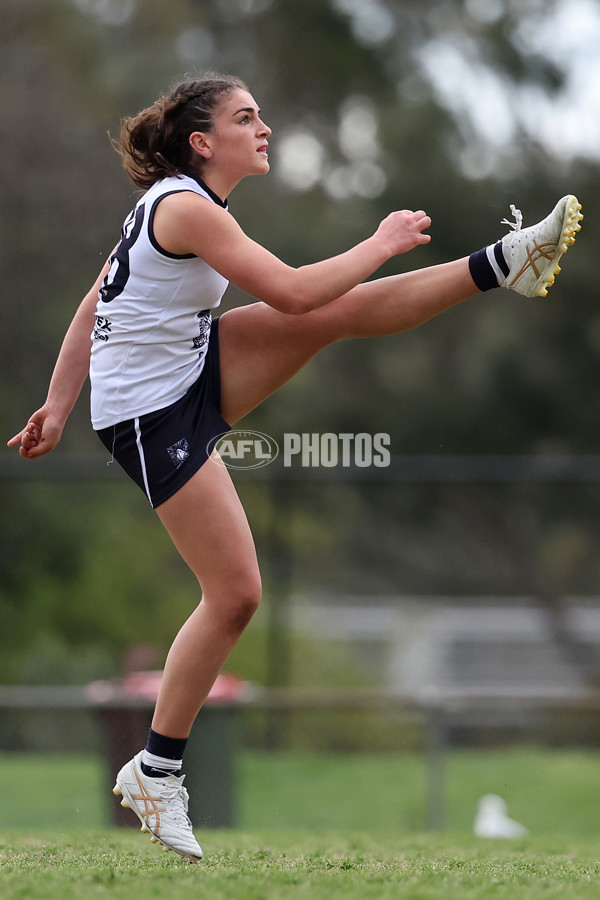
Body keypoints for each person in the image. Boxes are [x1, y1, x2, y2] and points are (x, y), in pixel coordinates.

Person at [7, 73, 582, 860]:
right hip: (148, 415)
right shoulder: (182, 207)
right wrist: (378, 242)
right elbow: (291, 291)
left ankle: (502, 263)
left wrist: (57, 402)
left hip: (185, 367)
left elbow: (91, 305)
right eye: (247, 118)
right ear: (203, 142)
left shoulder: (187, 203)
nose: (264, 127)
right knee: (237, 594)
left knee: (339, 315)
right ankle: (154, 769)